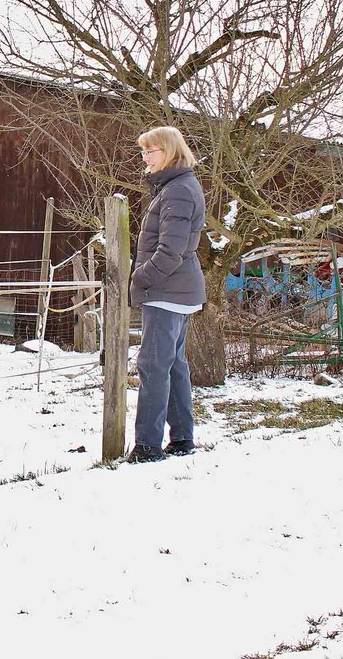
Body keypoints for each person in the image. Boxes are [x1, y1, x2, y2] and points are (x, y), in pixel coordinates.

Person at [127, 125, 206, 463]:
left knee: (153, 365)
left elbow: (170, 252)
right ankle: (182, 438)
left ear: (170, 151)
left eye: (150, 151)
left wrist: (139, 277)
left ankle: (148, 445)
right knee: (172, 365)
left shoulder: (177, 191)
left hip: (166, 291)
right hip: (176, 290)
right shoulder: (177, 187)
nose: (145, 158)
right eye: (143, 151)